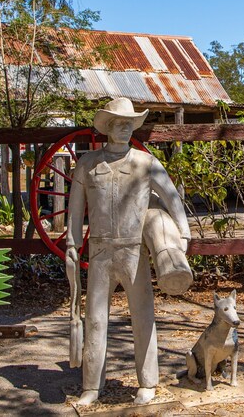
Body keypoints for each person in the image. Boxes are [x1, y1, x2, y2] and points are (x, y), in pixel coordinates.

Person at [65, 97, 191, 406]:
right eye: (118, 123)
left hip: (134, 251)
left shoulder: (145, 163)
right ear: (107, 127)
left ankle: (147, 382)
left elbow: (172, 197)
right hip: (100, 253)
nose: (123, 128)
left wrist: (183, 235)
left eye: (129, 124)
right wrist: (71, 241)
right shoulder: (88, 164)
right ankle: (92, 386)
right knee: (95, 320)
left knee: (142, 317)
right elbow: (74, 209)